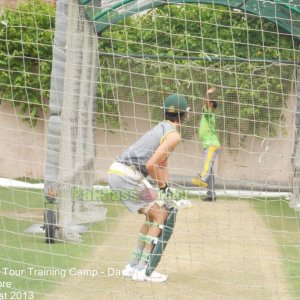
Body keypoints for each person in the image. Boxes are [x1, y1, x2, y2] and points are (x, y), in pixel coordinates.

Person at [107, 94, 190, 282]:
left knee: (152, 215)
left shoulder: (162, 128)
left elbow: (162, 165)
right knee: (161, 215)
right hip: (127, 176)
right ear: (184, 115)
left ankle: (132, 266)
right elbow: (152, 165)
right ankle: (144, 270)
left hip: (118, 172)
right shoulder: (174, 135)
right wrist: (163, 186)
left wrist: (167, 191)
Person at [192, 87, 220, 201]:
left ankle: (202, 178)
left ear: (212, 107)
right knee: (210, 171)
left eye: (209, 104)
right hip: (210, 145)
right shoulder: (207, 115)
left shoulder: (209, 114)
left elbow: (207, 103)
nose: (206, 105)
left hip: (211, 145)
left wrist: (207, 94)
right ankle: (211, 194)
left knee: (206, 165)